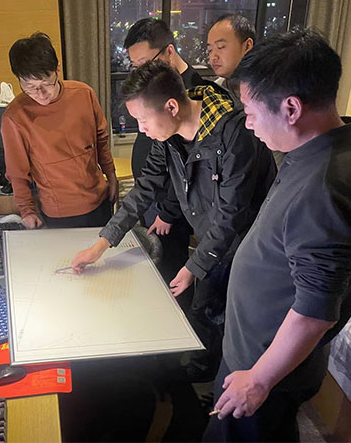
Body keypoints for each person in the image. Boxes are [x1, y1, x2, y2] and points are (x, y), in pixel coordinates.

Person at [204, 29, 351, 442]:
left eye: (250, 111)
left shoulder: (327, 187)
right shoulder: (313, 150)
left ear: (290, 108)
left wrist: (258, 380)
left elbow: (315, 311)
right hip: (254, 353)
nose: (248, 122)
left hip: (266, 370)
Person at [72, 60, 276, 381]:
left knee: (218, 314)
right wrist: (101, 244)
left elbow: (231, 214)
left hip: (246, 242)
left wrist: (193, 266)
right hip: (211, 235)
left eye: (143, 120)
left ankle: (215, 380)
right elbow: (145, 188)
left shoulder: (235, 136)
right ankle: (203, 368)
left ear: (171, 106)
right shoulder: (168, 136)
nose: (141, 129)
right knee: (203, 308)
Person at [1, 32, 118, 229]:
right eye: (30, 87)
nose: (40, 94)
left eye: (46, 83)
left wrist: (111, 176)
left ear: (57, 70)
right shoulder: (14, 117)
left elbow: (101, 140)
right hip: (59, 213)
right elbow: (17, 173)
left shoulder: (84, 94)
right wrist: (27, 211)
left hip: (99, 200)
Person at [123, 18, 205, 288]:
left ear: (169, 51)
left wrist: (168, 211)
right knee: (152, 267)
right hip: (152, 194)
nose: (141, 73)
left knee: (171, 271)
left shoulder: (190, 93)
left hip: (171, 206)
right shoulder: (151, 88)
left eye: (145, 63)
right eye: (135, 66)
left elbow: (189, 167)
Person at [207, 14, 255, 90]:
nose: (213, 57)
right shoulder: (215, 90)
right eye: (210, 50)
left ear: (247, 46)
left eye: (221, 46)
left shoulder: (270, 89)